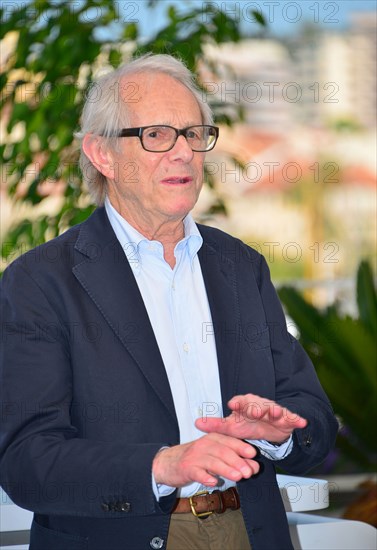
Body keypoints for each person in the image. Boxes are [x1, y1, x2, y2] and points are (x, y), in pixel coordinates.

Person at [0, 53, 338, 550]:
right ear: (102, 154)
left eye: (194, 133)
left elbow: (315, 420)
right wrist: (162, 465)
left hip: (250, 530)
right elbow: (26, 461)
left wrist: (278, 432)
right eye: (156, 135)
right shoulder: (39, 283)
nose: (183, 152)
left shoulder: (242, 267)